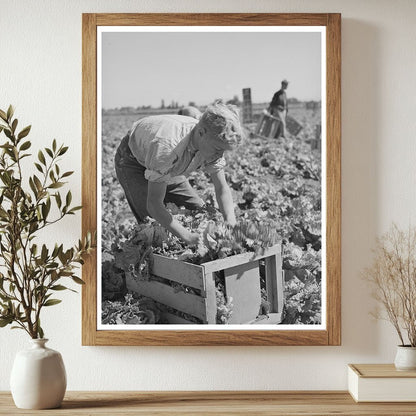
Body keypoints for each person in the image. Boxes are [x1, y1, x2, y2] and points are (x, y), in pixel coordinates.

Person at [114, 101, 243, 246]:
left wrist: (230, 223)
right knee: (153, 227)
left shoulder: (211, 144)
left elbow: (221, 188)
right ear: (201, 133)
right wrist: (189, 237)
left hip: (168, 165)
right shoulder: (167, 148)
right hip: (133, 161)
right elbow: (154, 204)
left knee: (202, 212)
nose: (220, 155)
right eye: (218, 150)